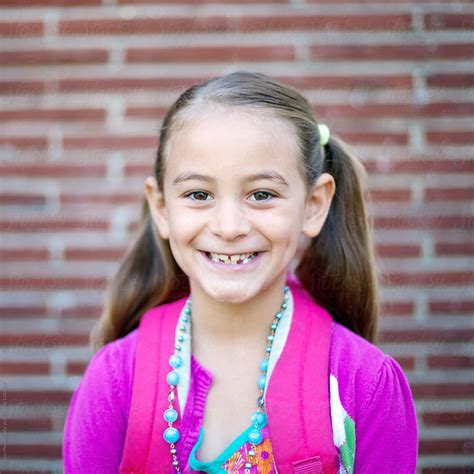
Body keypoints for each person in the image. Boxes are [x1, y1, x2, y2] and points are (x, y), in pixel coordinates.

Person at [62, 71, 418, 473]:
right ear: (162, 208)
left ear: (314, 204)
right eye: (199, 194)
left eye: (261, 194)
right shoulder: (114, 382)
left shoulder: (364, 385)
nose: (229, 227)